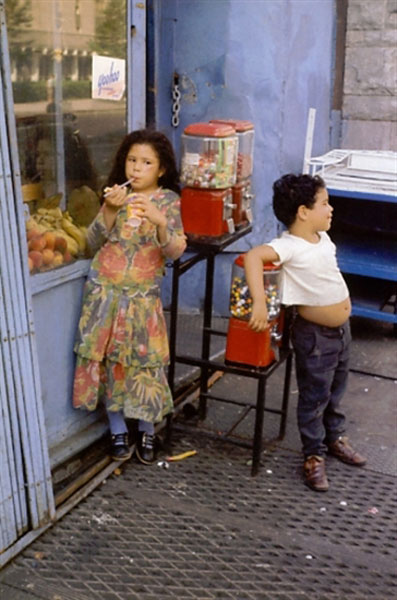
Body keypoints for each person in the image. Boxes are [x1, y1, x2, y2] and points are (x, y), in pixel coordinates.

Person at [244, 173, 366, 492]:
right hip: (315, 338)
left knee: (336, 389)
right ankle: (313, 455)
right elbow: (254, 257)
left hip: (342, 332)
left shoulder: (321, 237)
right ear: (303, 212)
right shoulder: (289, 246)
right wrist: (259, 303)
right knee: (314, 396)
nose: (331, 209)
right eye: (324, 203)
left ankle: (334, 437)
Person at [72, 129, 187, 464]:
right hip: (104, 294)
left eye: (146, 162)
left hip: (141, 300)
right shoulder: (114, 196)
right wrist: (108, 209)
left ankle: (148, 429)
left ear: (161, 169)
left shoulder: (168, 202)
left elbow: (176, 251)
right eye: (132, 160)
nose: (137, 168)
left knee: (144, 362)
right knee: (109, 361)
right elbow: (91, 243)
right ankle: (117, 427)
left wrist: (161, 222)